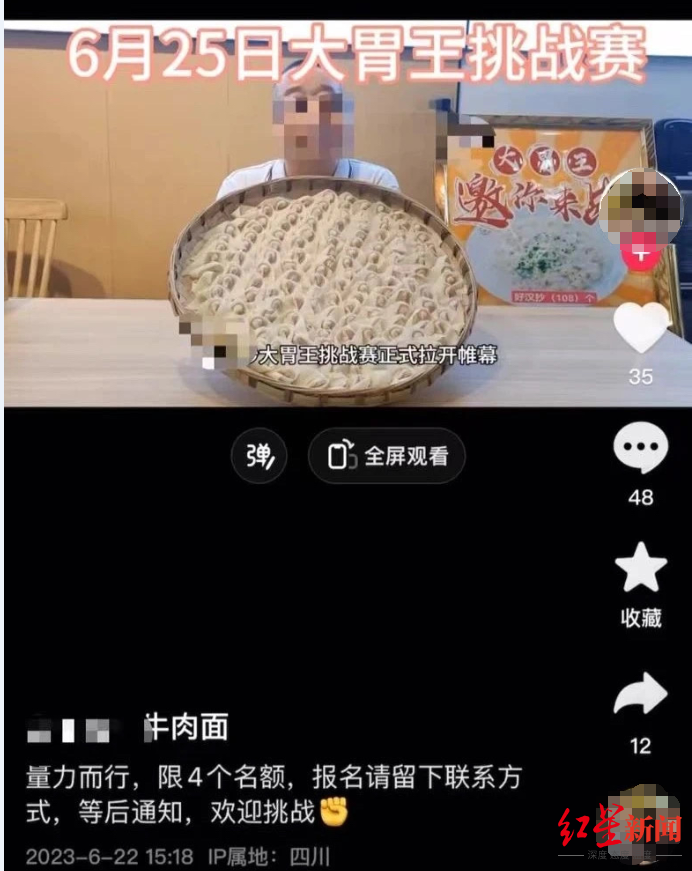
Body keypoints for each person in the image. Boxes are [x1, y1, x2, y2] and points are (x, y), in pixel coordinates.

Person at [216, 59, 400, 199]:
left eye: (325, 99)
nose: (313, 111)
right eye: (298, 101)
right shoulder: (240, 189)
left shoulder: (377, 184)